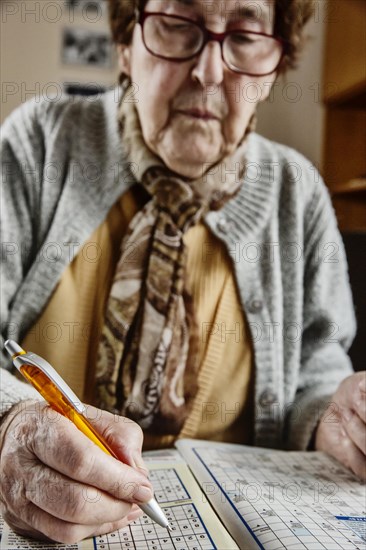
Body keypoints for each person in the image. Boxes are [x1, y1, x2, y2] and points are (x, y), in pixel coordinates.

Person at [1, 0, 365, 544]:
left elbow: (317, 369)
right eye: (176, 25)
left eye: (244, 36)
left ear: (274, 67)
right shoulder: (41, 142)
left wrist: (336, 414)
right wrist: (10, 423)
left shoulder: (300, 192)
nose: (209, 71)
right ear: (127, 44)